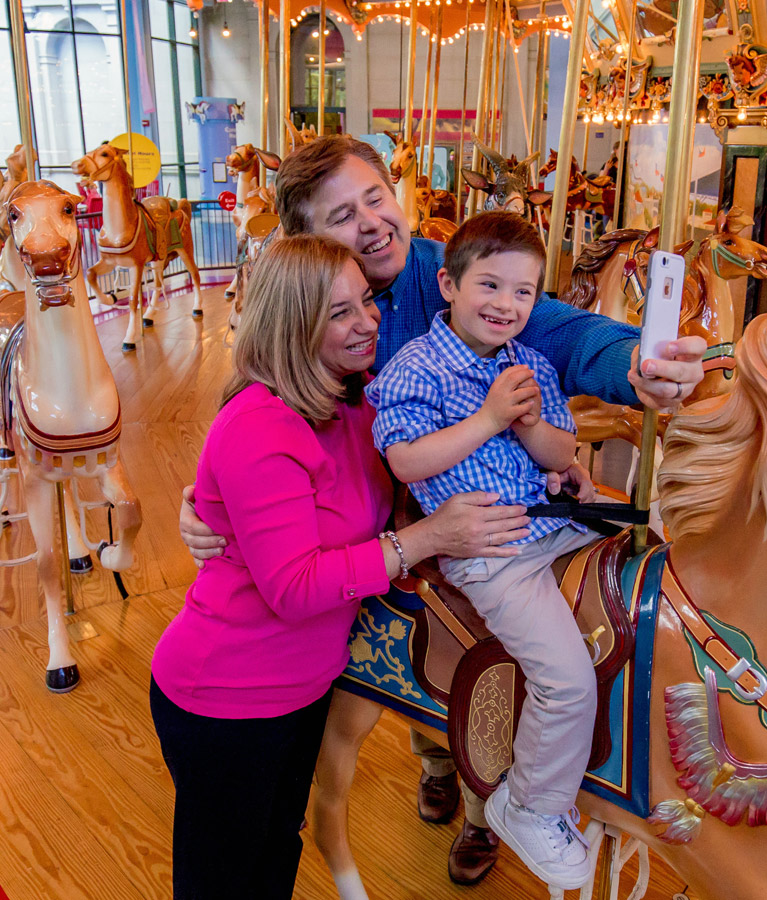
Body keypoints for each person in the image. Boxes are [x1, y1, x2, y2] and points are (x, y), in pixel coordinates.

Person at [178, 135, 705, 884]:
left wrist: (634, 365)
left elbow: (559, 327)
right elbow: (259, 420)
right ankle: (458, 770)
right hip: (383, 554)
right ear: (308, 251)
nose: (369, 224)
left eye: (374, 199)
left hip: (458, 523)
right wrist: (206, 502)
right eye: (340, 218)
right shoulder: (306, 356)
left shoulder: (451, 270)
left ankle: (512, 790)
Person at [151, 234, 531, 899]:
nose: (369, 321)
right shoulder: (260, 428)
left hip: (303, 687)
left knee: (276, 850)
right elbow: (296, 587)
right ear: (293, 325)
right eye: (339, 312)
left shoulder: (358, 403)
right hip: (229, 694)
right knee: (224, 879)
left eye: (367, 300)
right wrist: (425, 539)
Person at [368, 210, 600, 889]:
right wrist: (489, 418)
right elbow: (407, 459)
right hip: (492, 552)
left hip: (551, 524)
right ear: (448, 284)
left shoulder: (529, 363)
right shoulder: (417, 367)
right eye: (490, 286)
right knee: (564, 678)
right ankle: (529, 805)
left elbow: (563, 449)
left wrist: (530, 425)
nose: (506, 305)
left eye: (523, 293)